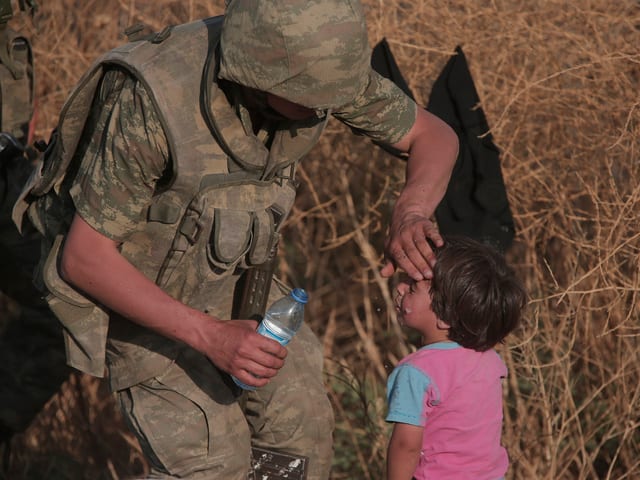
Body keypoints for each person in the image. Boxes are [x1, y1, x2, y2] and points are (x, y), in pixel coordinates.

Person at [15, 0, 458, 478]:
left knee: (300, 442)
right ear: (260, 77)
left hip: (233, 280)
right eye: (314, 99)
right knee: (213, 463)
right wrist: (211, 337)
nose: (327, 109)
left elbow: (433, 136)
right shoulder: (153, 98)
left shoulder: (317, 68)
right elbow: (84, 259)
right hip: (137, 295)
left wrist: (410, 213)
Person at [386, 235, 527, 480]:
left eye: (412, 288)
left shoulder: (417, 373)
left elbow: (405, 446)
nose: (400, 287)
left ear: (445, 318)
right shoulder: (489, 359)